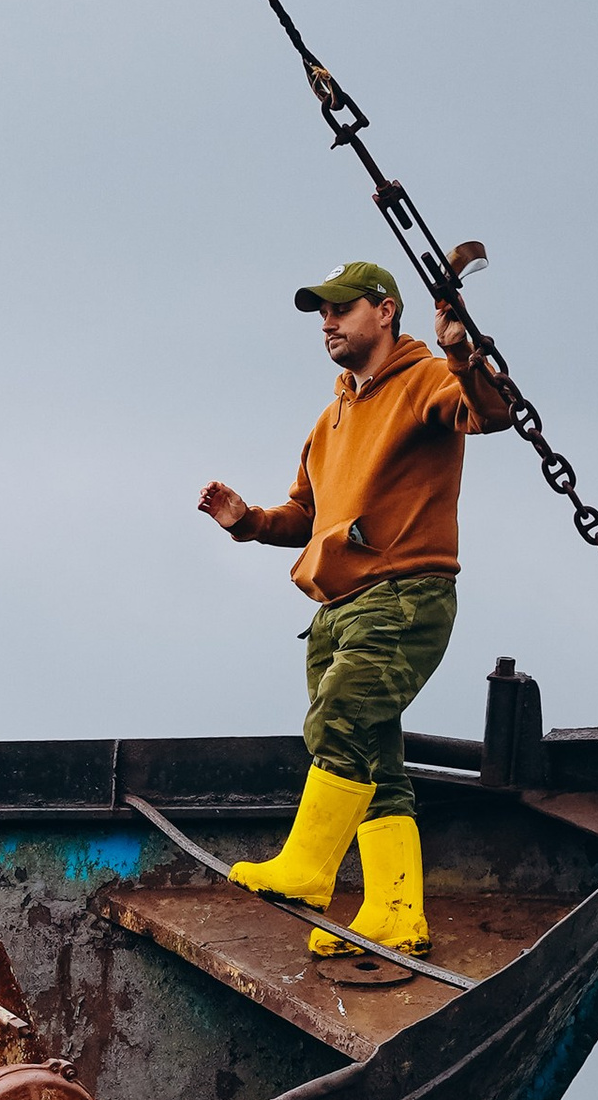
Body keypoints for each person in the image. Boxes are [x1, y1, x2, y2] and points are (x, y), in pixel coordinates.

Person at [196, 257, 512, 960]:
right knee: (374, 756)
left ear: (386, 311)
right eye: (320, 314)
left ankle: (308, 868)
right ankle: (394, 912)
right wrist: (248, 521)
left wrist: (461, 346)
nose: (328, 323)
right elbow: (307, 514)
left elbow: (492, 412)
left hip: (402, 594)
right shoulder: (331, 416)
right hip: (337, 606)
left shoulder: (427, 378)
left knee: (337, 720)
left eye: (340, 309)